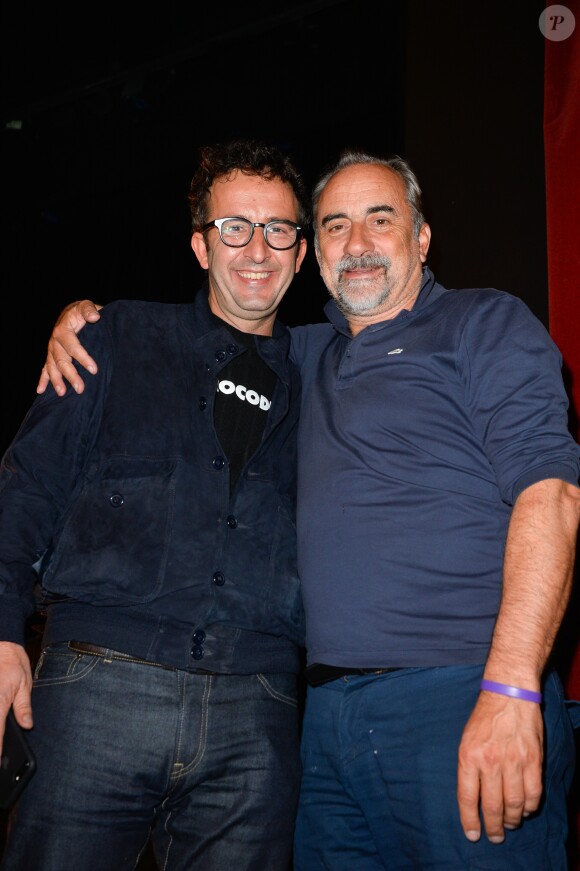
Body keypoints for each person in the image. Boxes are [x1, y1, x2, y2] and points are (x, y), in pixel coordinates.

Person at [34, 150, 580, 869]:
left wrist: (511, 687)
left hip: (459, 696)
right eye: (334, 226)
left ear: (421, 238)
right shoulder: (302, 355)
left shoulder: (483, 324)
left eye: (379, 220)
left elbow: (553, 495)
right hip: (321, 725)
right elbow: (208, 338)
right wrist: (84, 321)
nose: (356, 244)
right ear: (313, 254)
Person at [0, 139, 309, 870]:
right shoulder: (112, 338)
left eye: (278, 230)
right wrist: (3, 630)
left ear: (301, 252)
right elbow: (28, 485)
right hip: (97, 685)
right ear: (201, 245)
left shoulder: (330, 372)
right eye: (235, 226)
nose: (257, 248)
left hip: (256, 707)